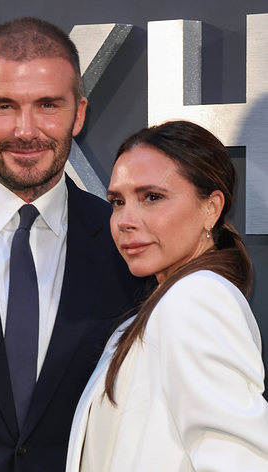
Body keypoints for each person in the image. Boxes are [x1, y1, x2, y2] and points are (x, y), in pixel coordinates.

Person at [0, 17, 145, 472]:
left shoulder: (126, 243)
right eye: (3, 105)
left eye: (47, 105)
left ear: (78, 113)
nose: (26, 130)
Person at [66, 120, 268, 472]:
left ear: (211, 208)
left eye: (152, 197)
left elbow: (240, 461)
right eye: (117, 201)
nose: (125, 220)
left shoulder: (196, 301)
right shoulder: (164, 306)